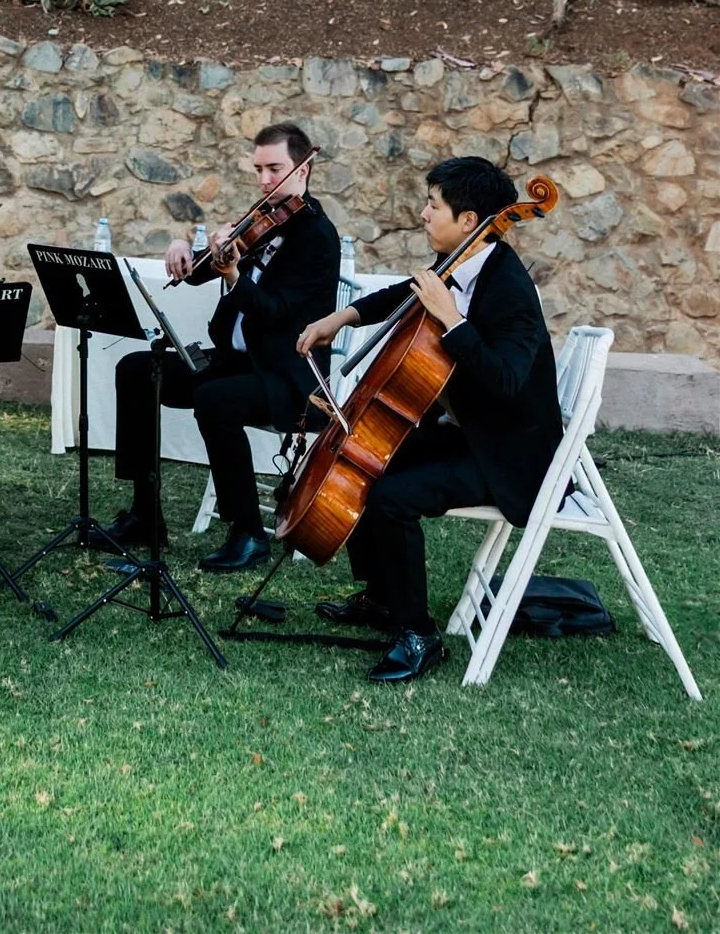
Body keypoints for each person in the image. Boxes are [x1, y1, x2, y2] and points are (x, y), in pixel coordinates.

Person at [296, 155, 563, 684]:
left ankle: (418, 634)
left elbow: (507, 380)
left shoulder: (511, 290)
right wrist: (341, 317)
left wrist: (453, 319)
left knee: (393, 498)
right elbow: (404, 294)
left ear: (469, 220)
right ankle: (381, 598)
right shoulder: (459, 262)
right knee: (372, 459)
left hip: (508, 453)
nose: (422, 214)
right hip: (471, 434)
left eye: (433, 205)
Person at [102, 122, 341, 573]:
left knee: (216, 400)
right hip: (238, 363)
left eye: (276, 169)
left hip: (286, 377)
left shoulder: (318, 238)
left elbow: (277, 312)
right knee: (137, 369)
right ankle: (144, 514)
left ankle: (248, 533)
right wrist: (184, 246)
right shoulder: (262, 220)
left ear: (303, 169)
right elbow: (197, 273)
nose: (265, 180)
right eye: (258, 170)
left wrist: (235, 276)